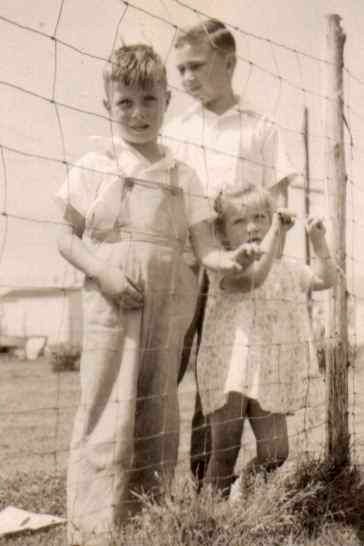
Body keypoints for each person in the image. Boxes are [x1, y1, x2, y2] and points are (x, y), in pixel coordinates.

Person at [56, 44, 262, 546]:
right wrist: (102, 273)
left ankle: (147, 523)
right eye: (125, 102)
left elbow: (205, 246)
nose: (138, 113)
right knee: (105, 405)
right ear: (108, 105)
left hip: (169, 304)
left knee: (157, 407)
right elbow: (66, 238)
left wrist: (226, 261)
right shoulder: (94, 165)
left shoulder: (182, 174)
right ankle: (94, 528)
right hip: (112, 303)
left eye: (149, 99)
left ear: (168, 100)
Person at [162, 18, 297, 488]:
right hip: (187, 267)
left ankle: (212, 487)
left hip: (242, 277)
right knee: (169, 370)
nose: (187, 79)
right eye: (179, 70)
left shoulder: (260, 128)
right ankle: (152, 481)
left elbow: (278, 207)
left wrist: (265, 266)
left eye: (196, 66)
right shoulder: (176, 132)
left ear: (229, 62)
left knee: (225, 376)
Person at [196, 185, 336, 497]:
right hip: (228, 370)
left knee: (276, 451)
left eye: (261, 217)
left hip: (270, 372)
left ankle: (240, 491)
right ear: (221, 234)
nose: (253, 227)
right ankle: (209, 516)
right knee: (225, 450)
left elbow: (326, 279)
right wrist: (276, 232)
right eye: (239, 221)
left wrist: (318, 241)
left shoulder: (287, 269)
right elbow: (252, 278)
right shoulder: (226, 267)